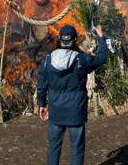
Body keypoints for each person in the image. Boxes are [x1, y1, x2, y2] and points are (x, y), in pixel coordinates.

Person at [36, 24, 109, 165]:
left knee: (53, 148)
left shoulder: (47, 60)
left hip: (56, 111)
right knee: (77, 149)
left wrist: (41, 104)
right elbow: (101, 58)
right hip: (76, 112)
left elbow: (41, 85)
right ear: (75, 40)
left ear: (60, 40)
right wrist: (101, 38)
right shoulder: (81, 60)